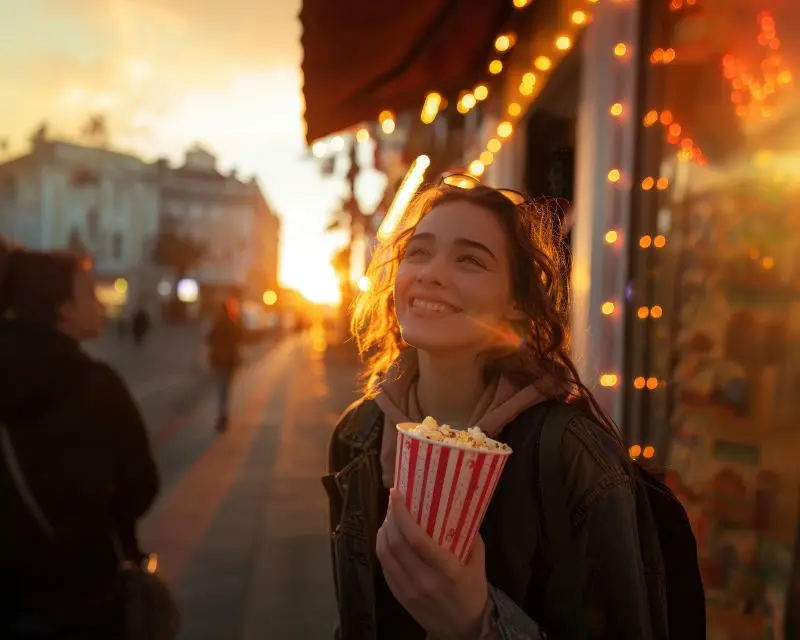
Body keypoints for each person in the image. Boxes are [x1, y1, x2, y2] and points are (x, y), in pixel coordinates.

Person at [324, 174, 668, 639]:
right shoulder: (357, 435)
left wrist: (478, 624)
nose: (430, 272)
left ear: (518, 306)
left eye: (470, 260)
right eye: (418, 252)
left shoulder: (573, 456)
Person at [0, 244, 160, 638]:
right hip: (85, 595)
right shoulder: (94, 384)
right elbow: (139, 487)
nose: (101, 305)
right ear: (63, 309)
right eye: (89, 292)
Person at [206, 297, 245, 432]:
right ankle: (223, 415)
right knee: (225, 388)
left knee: (221, 388)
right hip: (229, 361)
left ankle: (222, 415)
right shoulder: (232, 323)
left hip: (219, 360)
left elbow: (209, 339)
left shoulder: (217, 323)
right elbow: (241, 338)